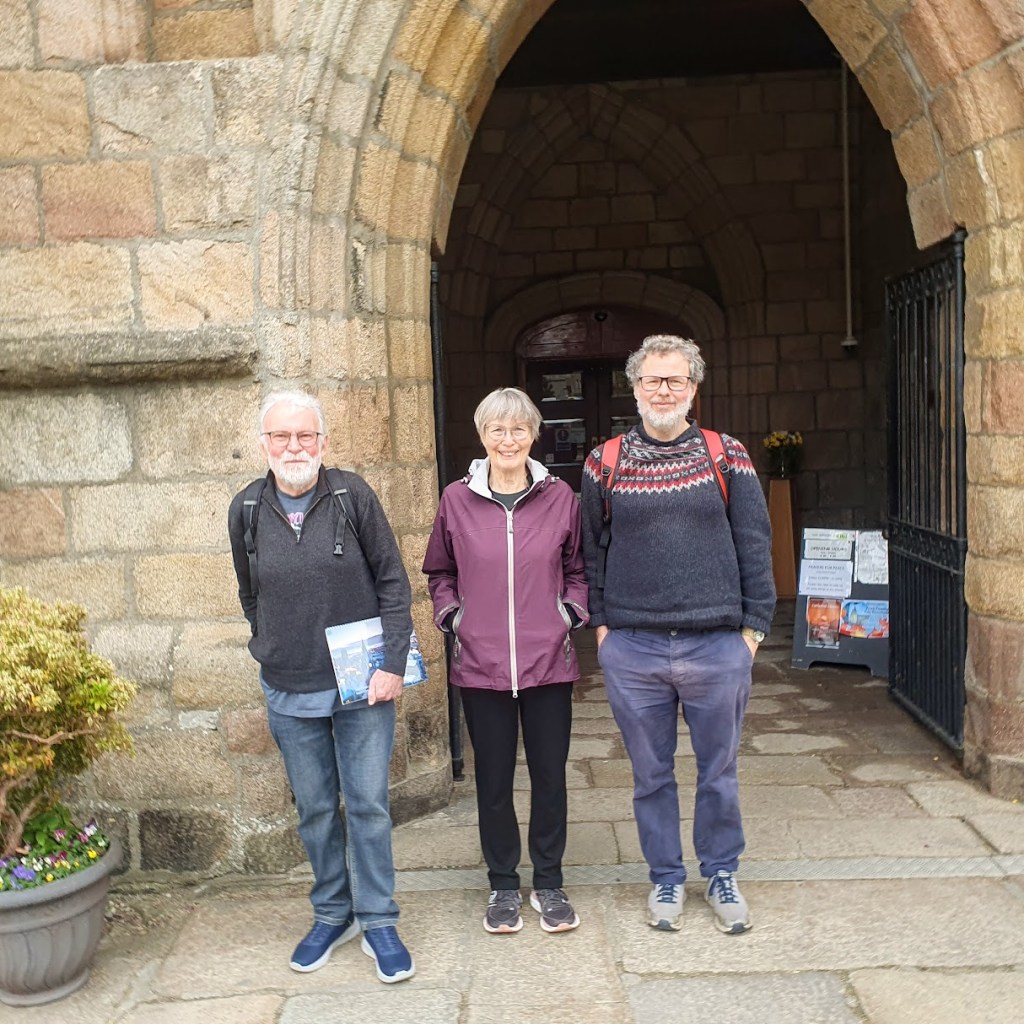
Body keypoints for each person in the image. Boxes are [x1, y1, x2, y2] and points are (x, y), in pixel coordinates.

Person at [580, 335, 775, 935]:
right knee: (651, 774)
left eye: (676, 380)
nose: (663, 390)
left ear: (693, 388)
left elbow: (754, 540)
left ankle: (720, 872)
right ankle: (665, 876)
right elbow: (591, 550)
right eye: (652, 380)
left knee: (719, 770)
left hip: (716, 643)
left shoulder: (727, 454)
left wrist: (753, 631)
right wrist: (605, 630)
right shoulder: (603, 461)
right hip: (634, 647)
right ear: (634, 387)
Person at [228, 390, 415, 983]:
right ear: (264, 445)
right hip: (289, 686)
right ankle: (332, 913)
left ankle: (379, 920)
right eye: (281, 437)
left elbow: (392, 580)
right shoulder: (247, 509)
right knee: (314, 810)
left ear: (323, 441)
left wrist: (391, 661)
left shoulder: (351, 495)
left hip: (362, 685)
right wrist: (271, 644)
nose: (293, 447)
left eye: (304, 436)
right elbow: (249, 592)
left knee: (367, 806)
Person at [423, 387, 589, 935]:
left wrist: (570, 613)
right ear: (481, 435)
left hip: (548, 662)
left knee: (549, 777)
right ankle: (501, 885)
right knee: (492, 782)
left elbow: (578, 568)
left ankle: (549, 882)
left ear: (533, 435)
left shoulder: (561, 496)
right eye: (497, 429)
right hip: (482, 665)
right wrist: (454, 619)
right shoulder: (456, 499)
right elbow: (440, 572)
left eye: (519, 429)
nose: (508, 439)